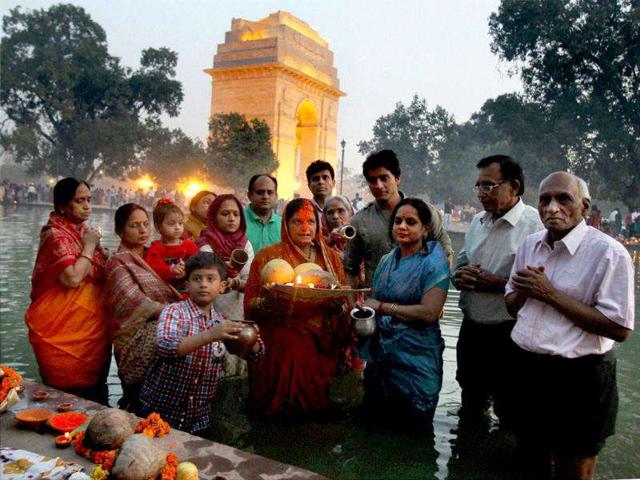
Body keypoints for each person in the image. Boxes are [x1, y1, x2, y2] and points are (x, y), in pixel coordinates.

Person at [505, 172, 634, 479]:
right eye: (545, 199)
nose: (551, 208)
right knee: (530, 459)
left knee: (574, 468)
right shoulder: (529, 245)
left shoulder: (608, 252)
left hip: (581, 377)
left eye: (563, 199)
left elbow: (620, 328)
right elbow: (512, 307)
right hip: (527, 368)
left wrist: (549, 294)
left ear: (584, 206)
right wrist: (525, 290)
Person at [453, 155, 543, 427]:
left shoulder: (534, 227)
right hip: (472, 328)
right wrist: (460, 275)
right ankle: (467, 456)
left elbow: (542, 288)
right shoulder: (479, 220)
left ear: (514, 187)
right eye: (479, 186)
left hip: (509, 331)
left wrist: (498, 284)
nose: (482, 194)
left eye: (489, 186)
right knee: (471, 399)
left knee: (511, 407)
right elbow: (461, 262)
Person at [244, 198, 352, 417]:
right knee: (277, 413)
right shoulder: (267, 256)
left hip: (319, 338)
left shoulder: (330, 257)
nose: (305, 228)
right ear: (285, 224)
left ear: (318, 225)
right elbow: (250, 303)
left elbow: (341, 301)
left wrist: (336, 307)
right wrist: (269, 302)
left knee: (315, 410)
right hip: (280, 338)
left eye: (311, 222)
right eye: (297, 222)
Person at [138, 252, 263, 435]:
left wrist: (252, 339)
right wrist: (211, 335)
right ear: (187, 285)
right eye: (197, 279)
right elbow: (166, 346)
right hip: (157, 413)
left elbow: (256, 354)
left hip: (198, 419)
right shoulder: (174, 312)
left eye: (210, 279)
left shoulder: (221, 321)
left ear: (221, 286)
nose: (203, 284)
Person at [357, 198, 450, 427]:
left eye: (411, 222)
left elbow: (430, 313)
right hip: (382, 358)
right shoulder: (387, 261)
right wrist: (364, 310)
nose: (402, 226)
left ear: (425, 229)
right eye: (398, 221)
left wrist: (382, 307)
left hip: (416, 360)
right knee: (375, 426)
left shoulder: (434, 263)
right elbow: (374, 301)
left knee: (413, 428)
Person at [25, 178, 110, 403]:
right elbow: (72, 278)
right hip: (62, 335)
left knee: (96, 397)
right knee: (64, 400)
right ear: (63, 206)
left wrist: (100, 250)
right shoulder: (55, 235)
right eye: (79, 201)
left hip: (93, 333)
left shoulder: (83, 232)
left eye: (89, 200)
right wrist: (91, 246)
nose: (87, 206)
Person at [106, 203, 183, 411]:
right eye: (134, 226)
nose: (142, 231)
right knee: (138, 404)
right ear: (120, 231)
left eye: (145, 225)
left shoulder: (158, 256)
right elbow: (135, 302)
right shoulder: (117, 262)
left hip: (169, 325)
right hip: (135, 337)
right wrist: (176, 313)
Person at [344, 149, 453, 288]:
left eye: (384, 178)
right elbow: (350, 268)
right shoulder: (359, 222)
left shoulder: (426, 212)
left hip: (419, 303)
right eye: (372, 180)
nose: (379, 185)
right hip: (377, 303)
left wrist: (435, 299)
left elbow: (445, 254)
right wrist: (353, 305)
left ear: (397, 178)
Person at [197, 194, 255, 376]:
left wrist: (236, 282)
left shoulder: (245, 244)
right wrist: (223, 272)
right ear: (214, 217)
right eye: (225, 213)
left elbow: (250, 282)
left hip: (238, 309)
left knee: (238, 359)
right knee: (214, 361)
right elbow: (205, 279)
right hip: (213, 311)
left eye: (236, 214)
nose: (232, 218)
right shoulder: (206, 244)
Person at [144, 199, 199, 293]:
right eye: (171, 224)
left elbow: (200, 263)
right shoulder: (155, 248)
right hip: (164, 291)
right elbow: (153, 268)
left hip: (189, 291)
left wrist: (187, 270)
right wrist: (171, 270)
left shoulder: (189, 245)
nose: (177, 227)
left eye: (180, 223)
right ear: (158, 227)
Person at [245, 174, 282, 254]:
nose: (265, 196)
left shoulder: (283, 224)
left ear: (276, 196)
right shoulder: (238, 222)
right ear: (249, 196)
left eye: (270, 192)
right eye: (260, 192)